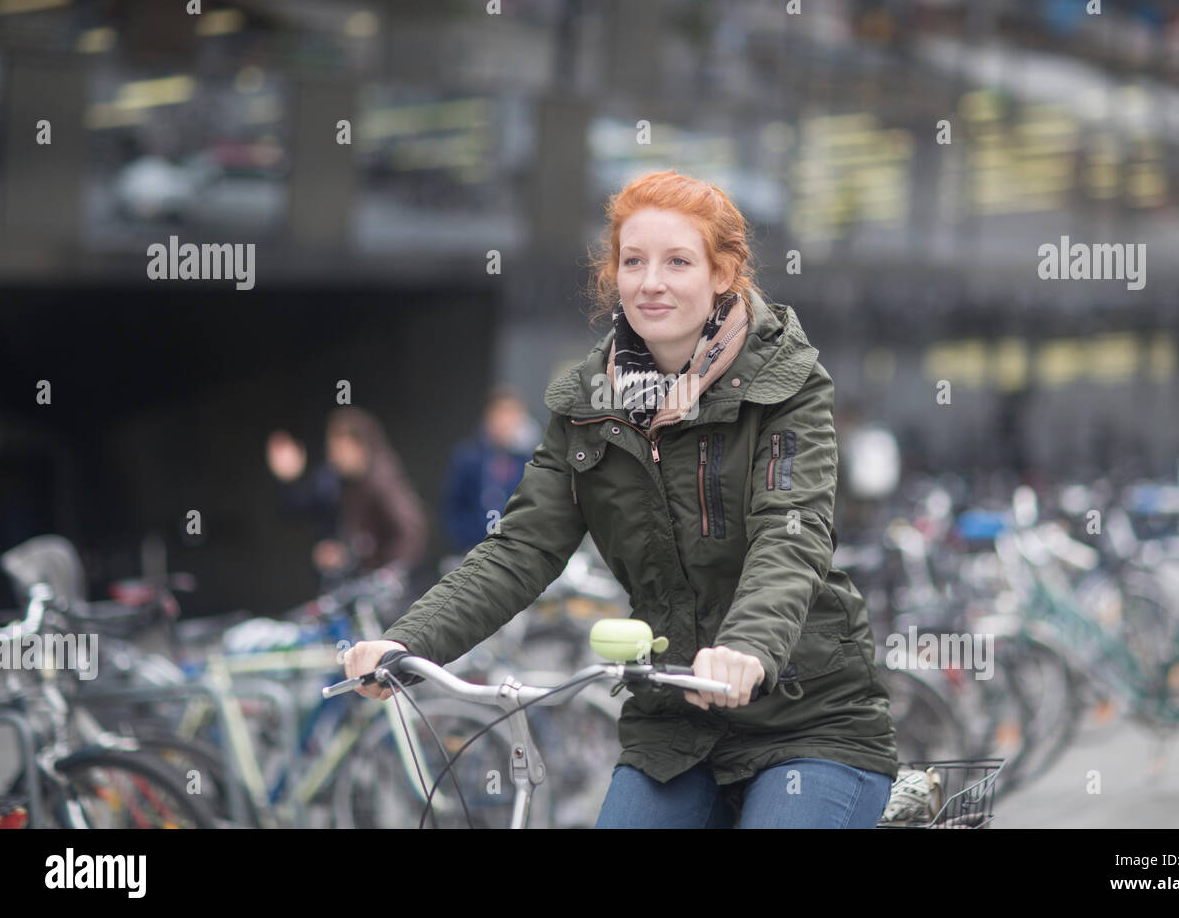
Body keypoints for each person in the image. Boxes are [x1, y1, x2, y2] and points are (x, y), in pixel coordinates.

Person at [343, 170, 899, 828]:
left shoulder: (786, 383)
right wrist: (409, 642)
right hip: (673, 726)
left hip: (809, 718)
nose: (650, 281)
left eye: (678, 261)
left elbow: (792, 530)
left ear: (723, 273)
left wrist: (747, 646)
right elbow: (522, 547)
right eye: (632, 261)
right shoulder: (586, 405)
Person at [266, 407, 429, 582]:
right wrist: (288, 479)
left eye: (339, 449)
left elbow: (411, 533)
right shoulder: (334, 481)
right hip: (351, 583)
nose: (333, 456)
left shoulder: (382, 481)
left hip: (383, 589)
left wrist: (387, 574)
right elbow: (298, 507)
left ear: (359, 446)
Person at [440, 386, 541, 554]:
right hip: (474, 549)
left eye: (511, 414)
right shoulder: (468, 456)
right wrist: (465, 541)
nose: (505, 421)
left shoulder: (533, 460)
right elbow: (454, 505)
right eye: (500, 413)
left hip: (519, 552)